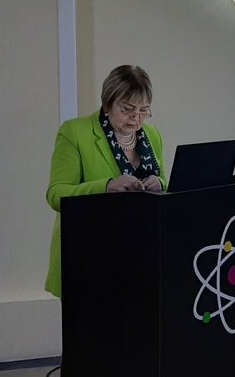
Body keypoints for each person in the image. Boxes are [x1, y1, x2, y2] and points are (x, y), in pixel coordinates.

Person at [44, 65, 167, 298]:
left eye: (144, 110)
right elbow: (56, 194)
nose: (136, 117)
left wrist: (160, 183)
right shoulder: (75, 132)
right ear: (108, 103)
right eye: (127, 109)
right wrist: (106, 186)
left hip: (141, 257)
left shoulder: (153, 136)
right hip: (90, 257)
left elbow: (165, 182)